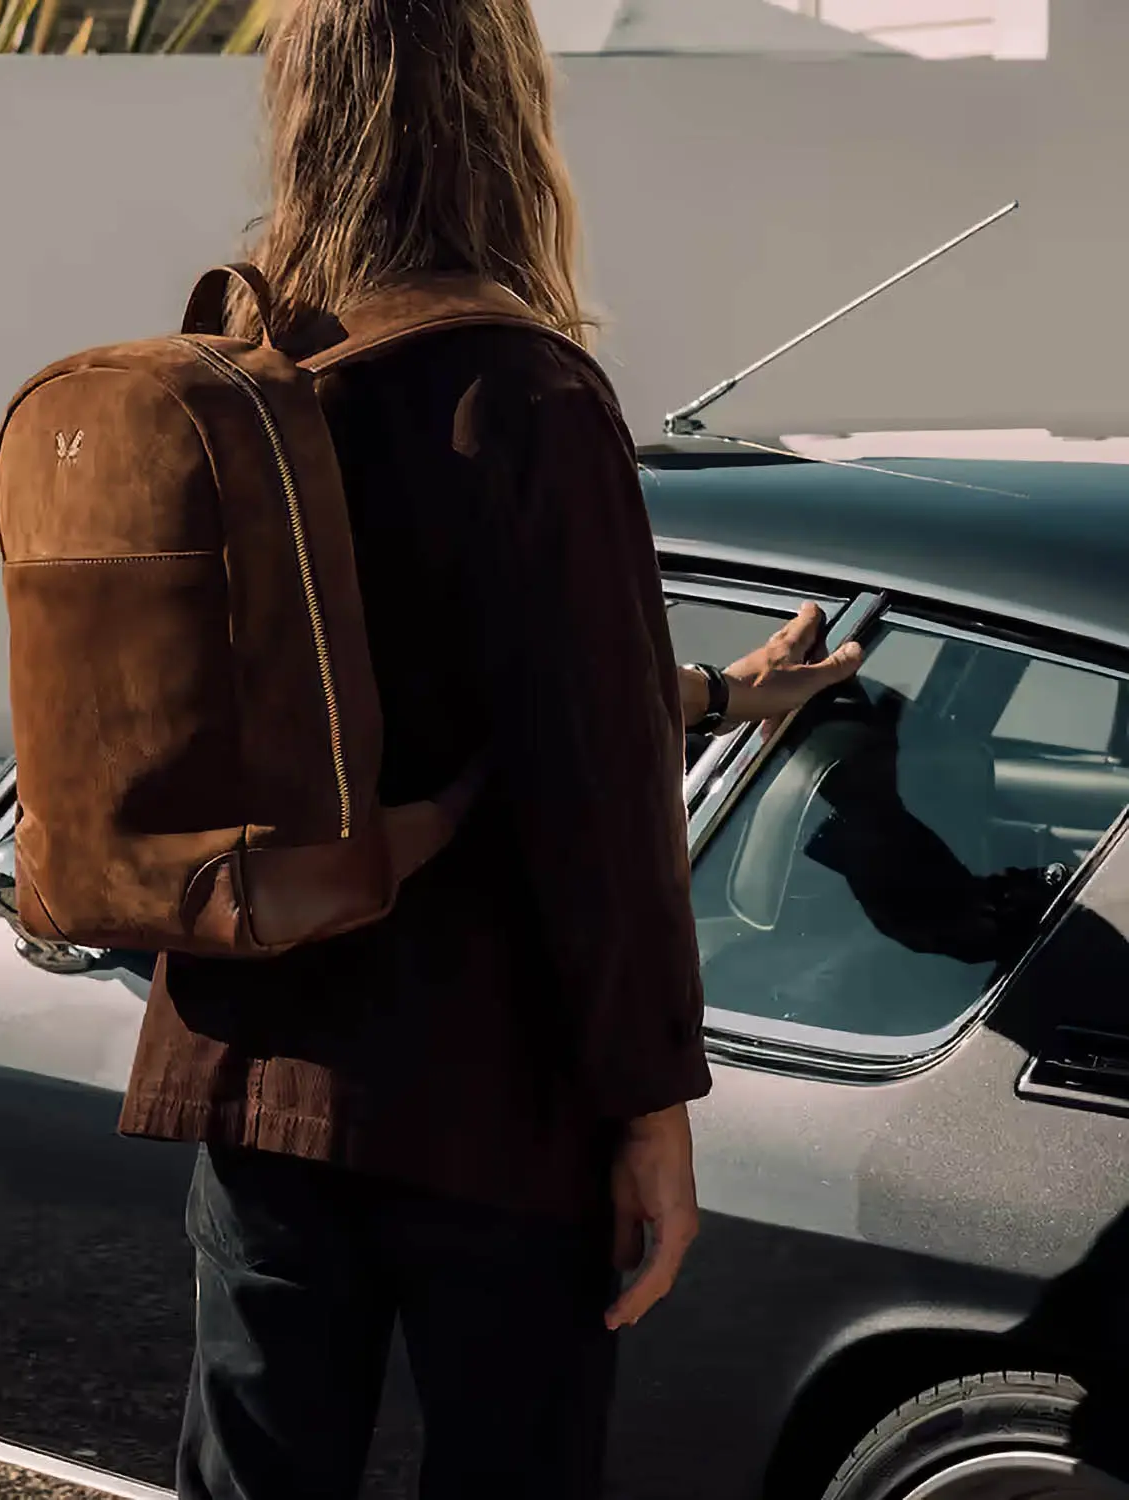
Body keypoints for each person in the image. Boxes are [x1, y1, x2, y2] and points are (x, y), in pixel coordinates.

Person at [118, 3, 862, 1496]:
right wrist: (651, 1107)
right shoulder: (522, 392)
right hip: (489, 1104)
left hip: (259, 1063)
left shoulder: (250, 366)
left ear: (302, 106)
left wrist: (710, 694)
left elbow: (367, 691)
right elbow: (595, 792)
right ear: (501, 113)